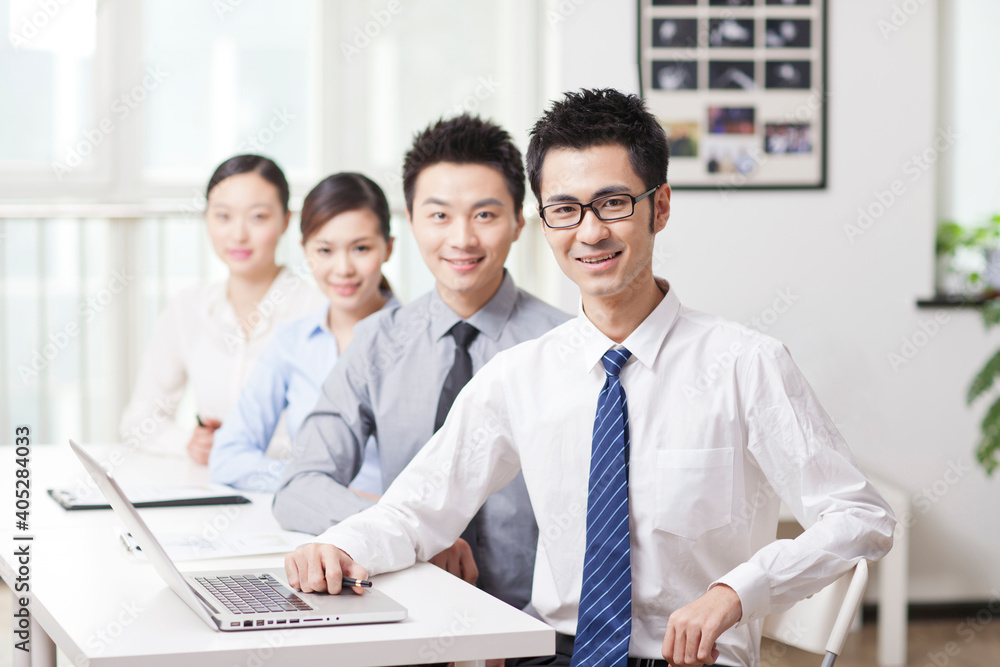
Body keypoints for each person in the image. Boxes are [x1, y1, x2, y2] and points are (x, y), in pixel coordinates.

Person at [282, 89, 896, 667]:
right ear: (544, 222)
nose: (591, 231)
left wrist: (737, 592)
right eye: (566, 210)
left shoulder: (745, 363)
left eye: (613, 203)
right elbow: (417, 510)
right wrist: (341, 546)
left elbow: (860, 517)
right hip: (552, 650)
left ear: (660, 206)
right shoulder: (521, 375)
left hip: (687, 657)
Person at [272, 115, 570, 610]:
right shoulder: (377, 344)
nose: (461, 239)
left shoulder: (563, 346)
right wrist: (411, 532)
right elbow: (299, 487)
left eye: (484, 215)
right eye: (439, 216)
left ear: (520, 220)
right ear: (410, 222)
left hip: (535, 629)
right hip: (405, 611)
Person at [119, 155, 324, 464]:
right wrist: (191, 442)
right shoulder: (188, 307)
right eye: (223, 216)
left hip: (288, 489)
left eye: (258, 217)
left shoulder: (317, 310)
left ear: (285, 220)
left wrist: (243, 449)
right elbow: (138, 421)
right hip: (208, 489)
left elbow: (330, 437)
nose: (238, 234)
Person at [208, 173, 398, 493]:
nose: (343, 269)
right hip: (310, 528)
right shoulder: (291, 342)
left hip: (400, 533)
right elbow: (228, 457)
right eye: (324, 251)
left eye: (361, 248)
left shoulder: (425, 341)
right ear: (305, 250)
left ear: (388, 248)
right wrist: (318, 488)